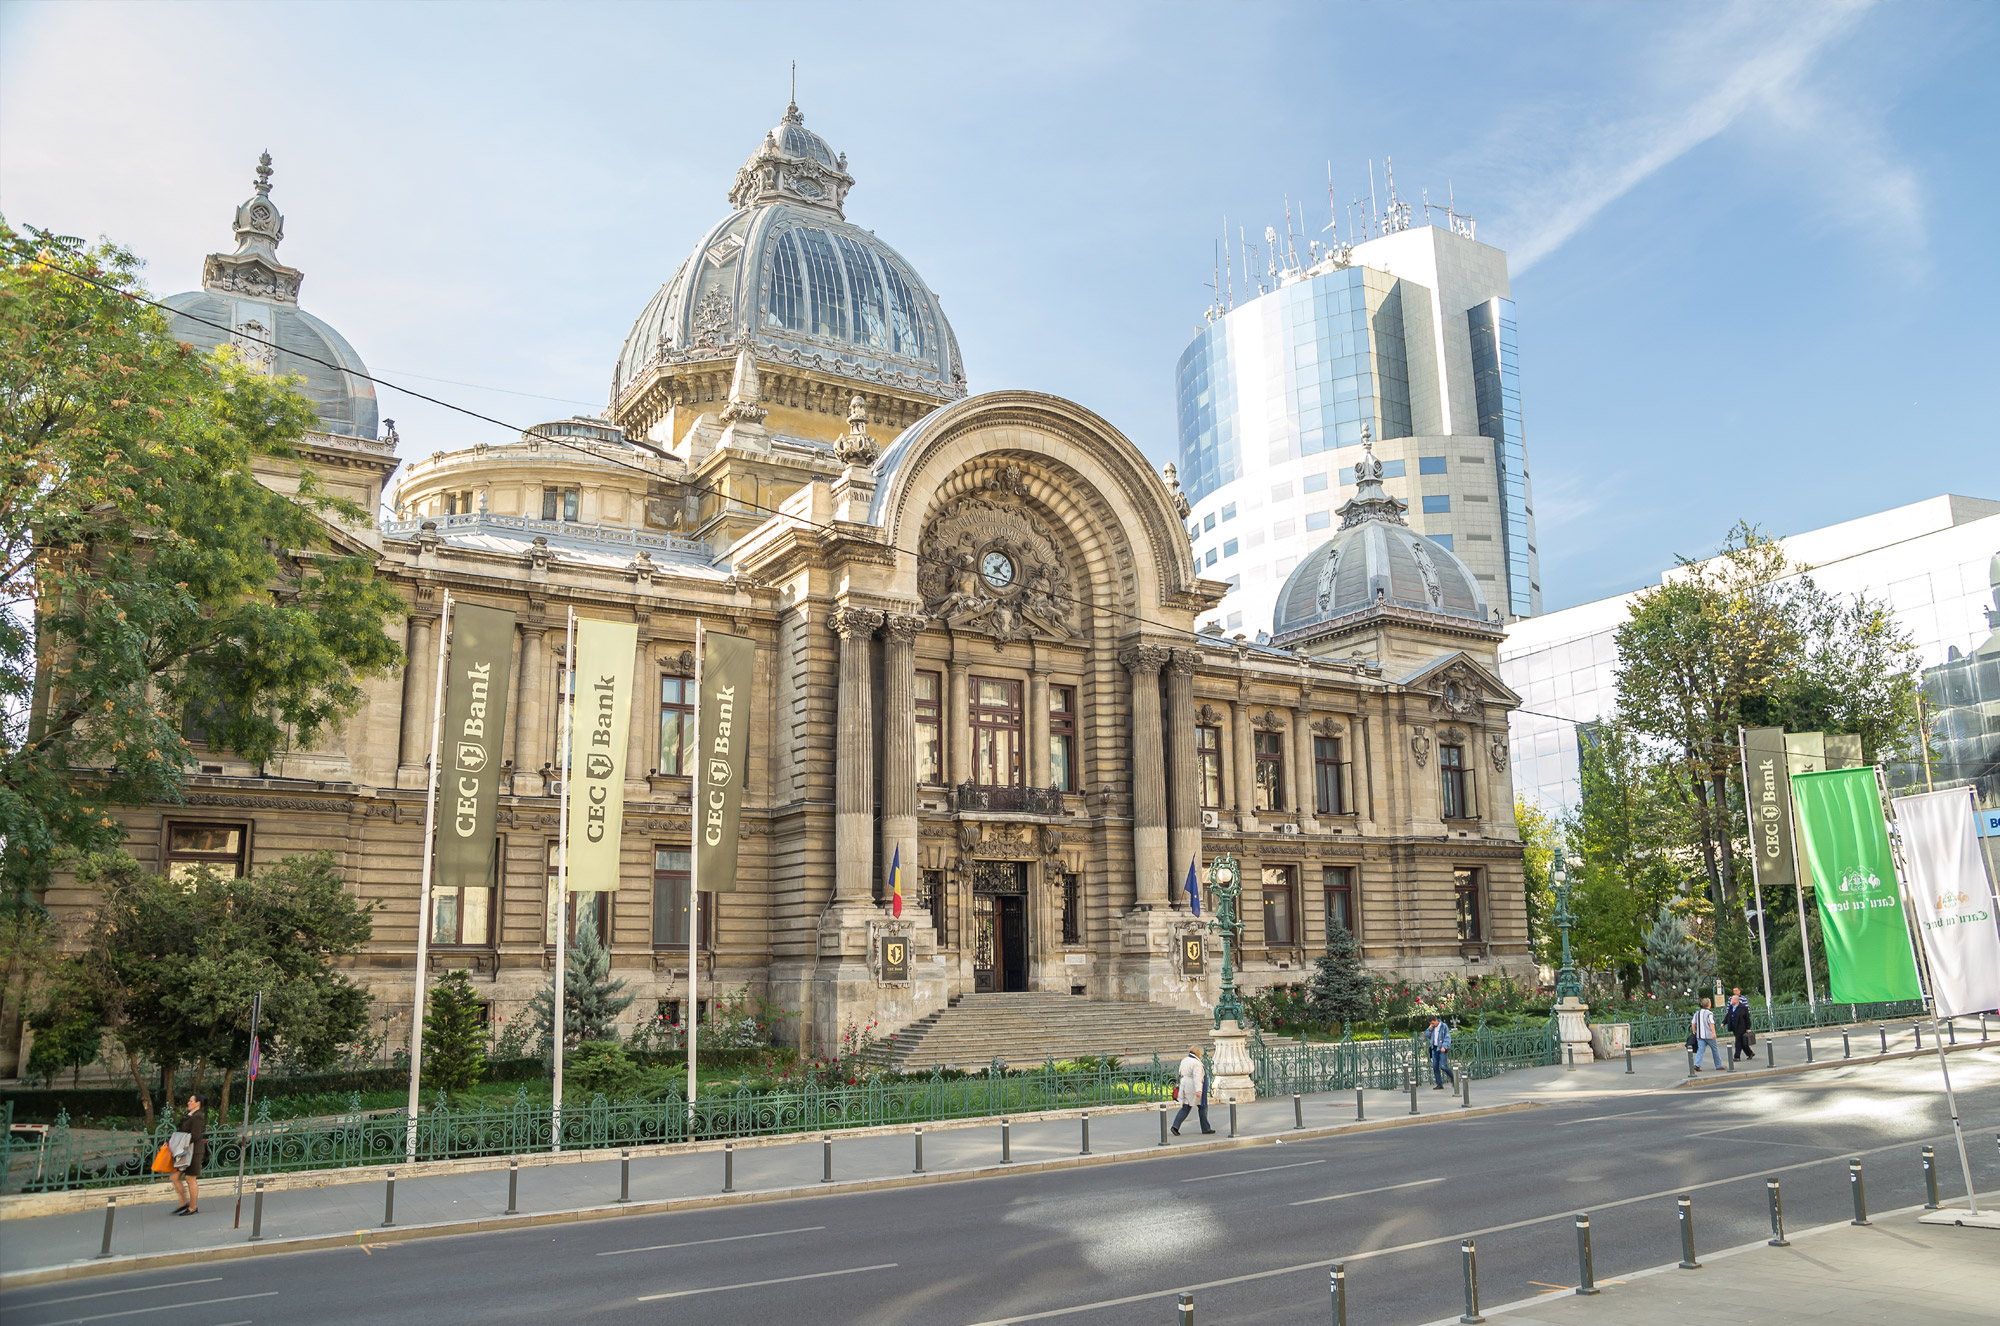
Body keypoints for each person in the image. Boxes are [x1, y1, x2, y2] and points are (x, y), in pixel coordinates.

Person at [169, 1092, 209, 1215]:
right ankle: (183, 1203)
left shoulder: (198, 1117)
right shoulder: (189, 1115)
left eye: (191, 1101)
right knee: (174, 1177)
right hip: (184, 1151)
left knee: (190, 1178)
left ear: (198, 1103)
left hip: (193, 1152)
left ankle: (193, 1207)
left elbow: (195, 1136)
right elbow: (181, 1131)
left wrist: (180, 1144)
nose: (188, 1102)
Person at [1171, 1046, 1215, 1136]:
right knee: (1202, 1107)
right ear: (1198, 1053)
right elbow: (1197, 1077)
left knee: (1186, 1107)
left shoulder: (1185, 1060)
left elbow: (1180, 1073)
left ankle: (1175, 1126)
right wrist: (1199, 1090)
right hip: (1193, 1087)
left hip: (1185, 1085)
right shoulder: (1196, 1063)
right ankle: (1206, 1128)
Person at [1690, 999, 1724, 1071]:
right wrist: (1714, 1033)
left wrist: (1694, 1031)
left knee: (1700, 1050)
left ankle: (1697, 1064)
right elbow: (1711, 1023)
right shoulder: (1709, 1013)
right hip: (1709, 1035)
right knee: (1715, 1049)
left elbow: (1693, 1023)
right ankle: (1719, 1065)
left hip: (1700, 1035)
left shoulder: (1697, 1013)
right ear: (1709, 1005)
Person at [1426, 1016, 1455, 1090]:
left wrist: (1444, 1046)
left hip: (1441, 1048)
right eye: (1431, 1024)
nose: (1432, 1024)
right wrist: (1430, 1029)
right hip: (1434, 1048)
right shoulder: (1432, 1027)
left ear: (1436, 1021)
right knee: (1435, 1067)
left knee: (1442, 1066)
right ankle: (1439, 1084)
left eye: (1433, 1023)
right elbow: (1427, 1036)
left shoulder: (1443, 1026)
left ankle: (1453, 1078)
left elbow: (1447, 1037)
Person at [1725, 990, 1755, 1061]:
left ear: (1736, 1000)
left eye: (1732, 999)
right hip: (1734, 1027)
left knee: (1738, 1042)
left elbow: (1747, 1018)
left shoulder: (1743, 1008)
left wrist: (1748, 1027)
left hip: (1742, 1027)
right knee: (1742, 1041)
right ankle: (1749, 1053)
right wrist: (1724, 1022)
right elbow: (1728, 1015)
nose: (1730, 1001)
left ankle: (1737, 1056)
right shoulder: (1731, 1007)